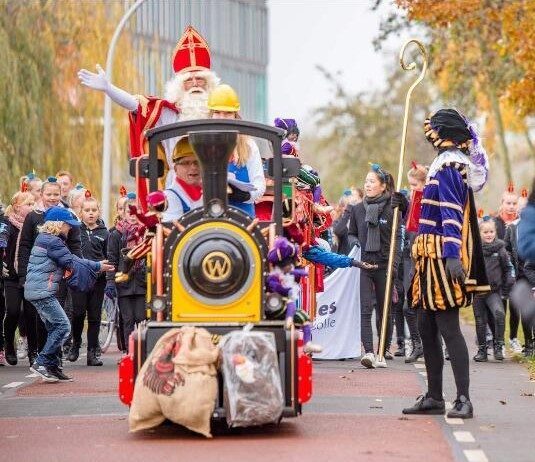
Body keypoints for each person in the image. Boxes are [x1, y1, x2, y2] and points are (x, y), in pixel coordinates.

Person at [403, 108, 490, 419]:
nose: (431, 136)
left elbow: (452, 214)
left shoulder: (451, 168)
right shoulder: (441, 166)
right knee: (426, 327)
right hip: (427, 257)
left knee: (448, 328)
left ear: (445, 135)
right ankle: (435, 396)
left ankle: (464, 399)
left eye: (435, 131)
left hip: (442, 257)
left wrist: (453, 255)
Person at [78, 25, 220, 205]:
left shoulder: (220, 112)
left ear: (208, 82)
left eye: (199, 78)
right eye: (188, 80)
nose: (195, 84)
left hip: (213, 185)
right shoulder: (168, 113)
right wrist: (109, 88)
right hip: (176, 189)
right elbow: (136, 105)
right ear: (179, 85)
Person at [24, 206, 112, 382]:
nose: (70, 228)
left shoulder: (46, 238)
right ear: (59, 224)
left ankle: (53, 366)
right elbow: (71, 261)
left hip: (38, 291)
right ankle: (41, 363)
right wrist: (97, 266)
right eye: (68, 225)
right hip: (43, 293)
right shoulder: (52, 242)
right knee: (63, 326)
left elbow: (71, 259)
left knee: (53, 328)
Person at [18, 177, 82, 353]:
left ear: (61, 194)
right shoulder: (33, 216)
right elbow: (24, 246)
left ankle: (54, 357)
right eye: (49, 194)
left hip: (59, 273)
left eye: (56, 194)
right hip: (37, 273)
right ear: (41, 194)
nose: (52, 197)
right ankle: (37, 353)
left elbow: (75, 245)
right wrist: (23, 274)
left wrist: (76, 269)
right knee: (37, 316)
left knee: (58, 315)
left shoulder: (68, 215)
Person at [348, 163, 401, 369]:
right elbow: (351, 232)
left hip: (384, 266)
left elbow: (398, 239)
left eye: (371, 182)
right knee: (365, 309)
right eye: (366, 181)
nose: (367, 185)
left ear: (382, 186)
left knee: (384, 311)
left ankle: (382, 350)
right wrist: (355, 242)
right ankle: (369, 351)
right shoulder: (357, 209)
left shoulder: (392, 209)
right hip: (364, 265)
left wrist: (393, 266)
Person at [208, 84, 266, 217]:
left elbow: (259, 184)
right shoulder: (200, 143)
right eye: (217, 112)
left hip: (242, 217)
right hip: (209, 216)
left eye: (227, 113)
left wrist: (245, 195)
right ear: (211, 114)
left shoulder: (248, 145)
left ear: (235, 115)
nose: (222, 117)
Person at [68, 196, 109, 366]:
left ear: (98, 212)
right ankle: (76, 343)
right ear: (81, 212)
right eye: (87, 210)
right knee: (78, 314)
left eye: (94, 210)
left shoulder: (104, 233)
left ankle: (92, 352)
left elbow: (108, 257)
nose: (90, 213)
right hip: (79, 279)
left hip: (97, 281)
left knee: (94, 316)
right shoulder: (75, 230)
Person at [107, 196, 147, 348]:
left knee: (141, 318)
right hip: (124, 283)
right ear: (122, 213)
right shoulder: (116, 234)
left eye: (136, 211)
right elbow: (112, 259)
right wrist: (110, 282)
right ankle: (128, 351)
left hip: (143, 282)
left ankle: (143, 350)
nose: (132, 214)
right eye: (129, 211)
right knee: (127, 319)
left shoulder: (147, 233)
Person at [2, 192, 36, 366]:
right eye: (28, 204)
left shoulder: (34, 224)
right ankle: (8, 344)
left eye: (33, 204)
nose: (32, 207)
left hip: (30, 275)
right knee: (13, 311)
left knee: (31, 313)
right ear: (16, 207)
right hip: (11, 277)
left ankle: (33, 352)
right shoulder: (7, 224)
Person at [472, 218, 514, 361]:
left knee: (499, 314)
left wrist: (507, 286)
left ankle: (498, 346)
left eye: (491, 232)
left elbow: (508, 269)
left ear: (495, 232)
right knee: (480, 320)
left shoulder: (500, 249)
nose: (488, 234)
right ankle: (482, 350)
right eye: (485, 232)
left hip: (494, 292)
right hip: (478, 292)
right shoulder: (475, 249)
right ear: (480, 233)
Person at [403, 163, 428, 363]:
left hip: (426, 259)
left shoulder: (427, 199)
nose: (412, 188)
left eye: (414, 184)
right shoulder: (414, 199)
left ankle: (430, 344)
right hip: (413, 258)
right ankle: (419, 343)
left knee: (425, 308)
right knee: (408, 307)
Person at [162, 137, 203, 222]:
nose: (193, 167)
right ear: (176, 169)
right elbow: (174, 231)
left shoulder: (211, 190)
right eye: (186, 163)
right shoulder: (169, 197)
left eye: (197, 162)